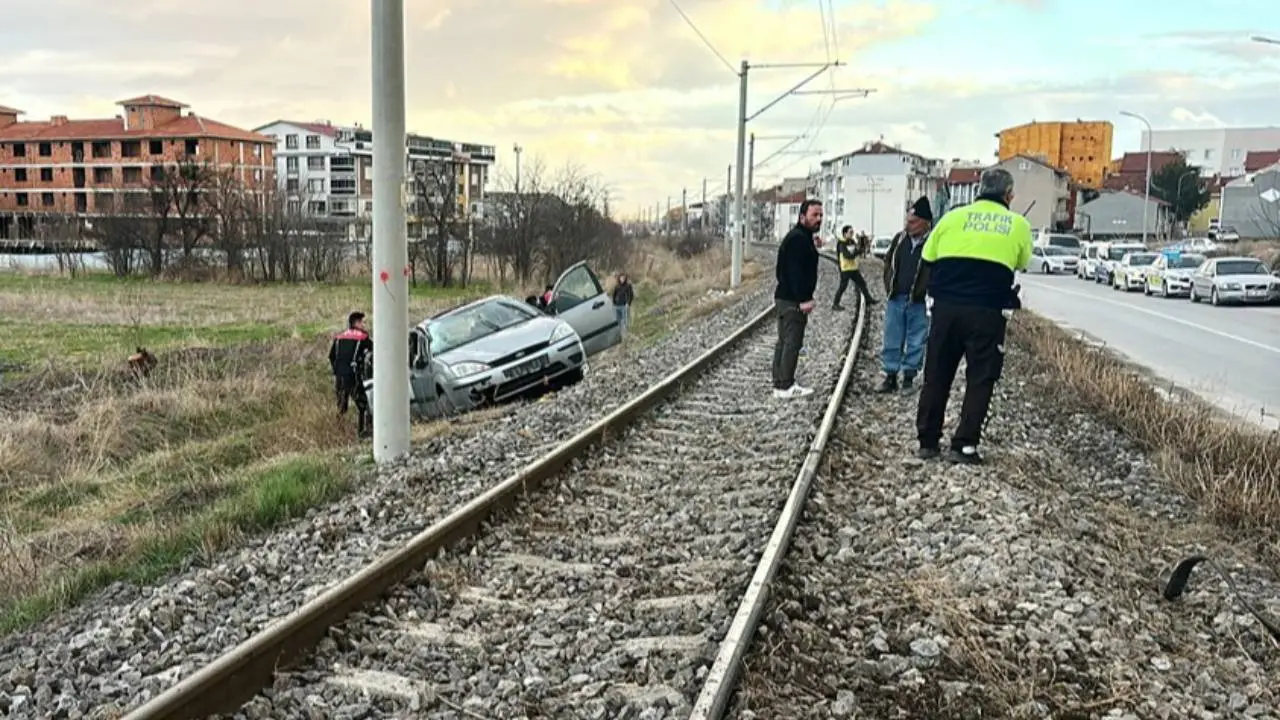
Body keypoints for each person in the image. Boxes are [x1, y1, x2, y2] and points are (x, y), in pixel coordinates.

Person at [912, 167, 1032, 464]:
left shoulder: (951, 218)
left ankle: (927, 441)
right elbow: (1023, 262)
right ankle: (963, 446)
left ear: (978, 190)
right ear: (1009, 195)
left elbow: (927, 258)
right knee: (980, 378)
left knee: (937, 374)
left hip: (946, 310)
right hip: (987, 313)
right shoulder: (1017, 224)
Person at [876, 197, 934, 393]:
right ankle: (890, 376)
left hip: (919, 301)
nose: (908, 225)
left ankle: (908, 378)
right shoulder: (899, 239)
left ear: (925, 222)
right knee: (892, 338)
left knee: (916, 339)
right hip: (897, 297)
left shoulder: (933, 243)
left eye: (912, 222)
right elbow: (888, 263)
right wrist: (888, 285)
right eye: (907, 221)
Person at [772, 199, 823, 399]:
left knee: (784, 341)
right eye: (814, 215)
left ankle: (779, 383)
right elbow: (793, 272)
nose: (819, 219)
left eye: (820, 215)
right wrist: (803, 298)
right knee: (792, 342)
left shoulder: (801, 237)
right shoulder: (798, 239)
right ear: (802, 217)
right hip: (793, 301)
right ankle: (785, 385)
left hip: (785, 298)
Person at [329, 311, 374, 438]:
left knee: (341, 406)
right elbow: (373, 354)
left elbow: (331, 356)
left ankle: (338, 432)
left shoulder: (339, 338)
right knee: (363, 404)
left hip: (339, 377)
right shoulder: (363, 338)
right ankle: (362, 432)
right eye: (362, 322)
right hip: (353, 376)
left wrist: (337, 369)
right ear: (357, 323)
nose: (364, 325)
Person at [832, 225, 876, 310]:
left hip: (853, 268)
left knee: (862, 283)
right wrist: (857, 252)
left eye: (852, 232)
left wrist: (861, 248)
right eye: (850, 232)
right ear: (845, 234)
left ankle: (868, 299)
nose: (852, 234)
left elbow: (857, 249)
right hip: (845, 269)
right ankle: (835, 304)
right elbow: (848, 255)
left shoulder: (851, 241)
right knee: (843, 286)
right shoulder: (841, 243)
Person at [611, 272, 634, 339]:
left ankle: (626, 334)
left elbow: (630, 295)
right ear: (619, 279)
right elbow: (614, 295)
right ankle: (620, 335)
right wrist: (614, 303)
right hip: (617, 306)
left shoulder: (628, 286)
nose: (622, 279)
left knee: (625, 320)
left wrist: (628, 303)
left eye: (623, 278)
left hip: (624, 305)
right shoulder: (617, 286)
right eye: (621, 278)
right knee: (618, 321)